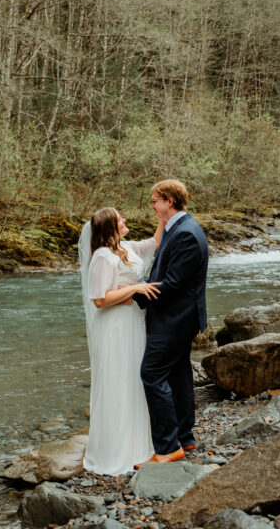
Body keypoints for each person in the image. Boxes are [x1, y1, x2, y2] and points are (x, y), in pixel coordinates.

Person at [78, 207, 164, 475]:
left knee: (133, 380)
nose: (125, 220)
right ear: (109, 227)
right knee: (117, 381)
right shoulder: (102, 257)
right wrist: (136, 288)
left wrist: (164, 217)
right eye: (119, 219)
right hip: (114, 326)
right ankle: (114, 451)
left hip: (131, 323)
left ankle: (139, 445)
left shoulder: (125, 247)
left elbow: (155, 243)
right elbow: (100, 299)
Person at [134, 179, 209, 464]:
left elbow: (174, 284)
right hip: (177, 317)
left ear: (170, 201)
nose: (152, 206)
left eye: (155, 200)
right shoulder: (176, 228)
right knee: (178, 375)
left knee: (151, 374)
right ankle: (185, 438)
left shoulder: (187, 233)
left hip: (176, 320)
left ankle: (167, 448)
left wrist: (136, 295)